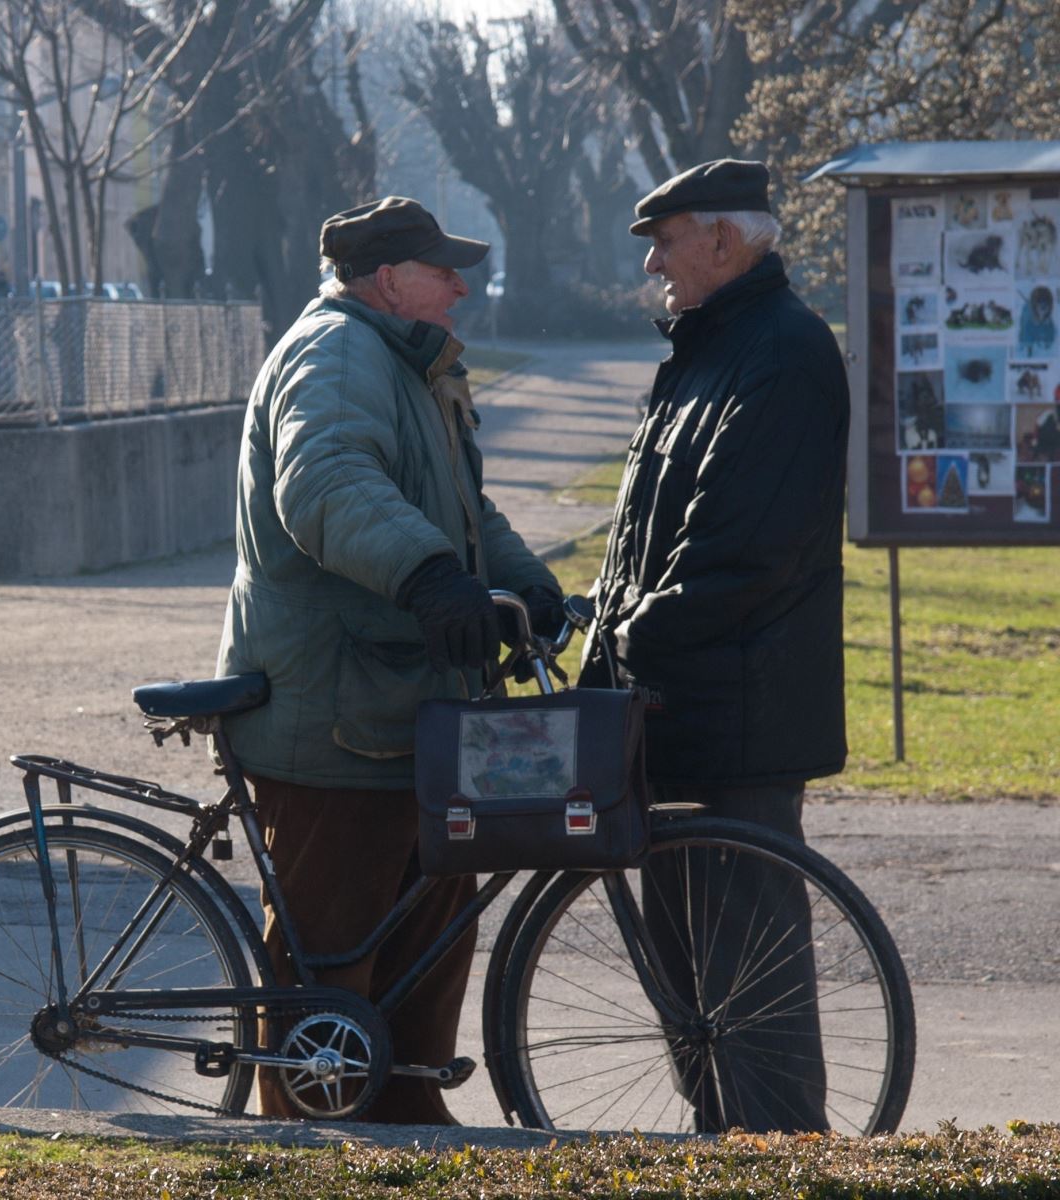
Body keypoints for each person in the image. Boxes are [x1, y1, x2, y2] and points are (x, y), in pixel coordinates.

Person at [216, 195, 563, 1124]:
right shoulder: (335, 355)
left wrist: (531, 590)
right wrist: (429, 581)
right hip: (337, 716)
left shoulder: (408, 364)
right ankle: (311, 1140)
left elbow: (466, 512)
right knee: (332, 956)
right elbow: (325, 483)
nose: (461, 285)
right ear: (385, 280)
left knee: (431, 926)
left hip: (408, 709)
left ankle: (409, 1111)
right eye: (442, 269)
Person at [579, 159, 849, 1132]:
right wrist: (601, 625)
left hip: (742, 719)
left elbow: (741, 552)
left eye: (666, 239)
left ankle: (779, 1161)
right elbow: (643, 533)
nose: (653, 262)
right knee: (690, 986)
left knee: (748, 991)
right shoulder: (704, 351)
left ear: (725, 242)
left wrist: (626, 631)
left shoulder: (782, 353)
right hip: (676, 713)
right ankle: (724, 1147)